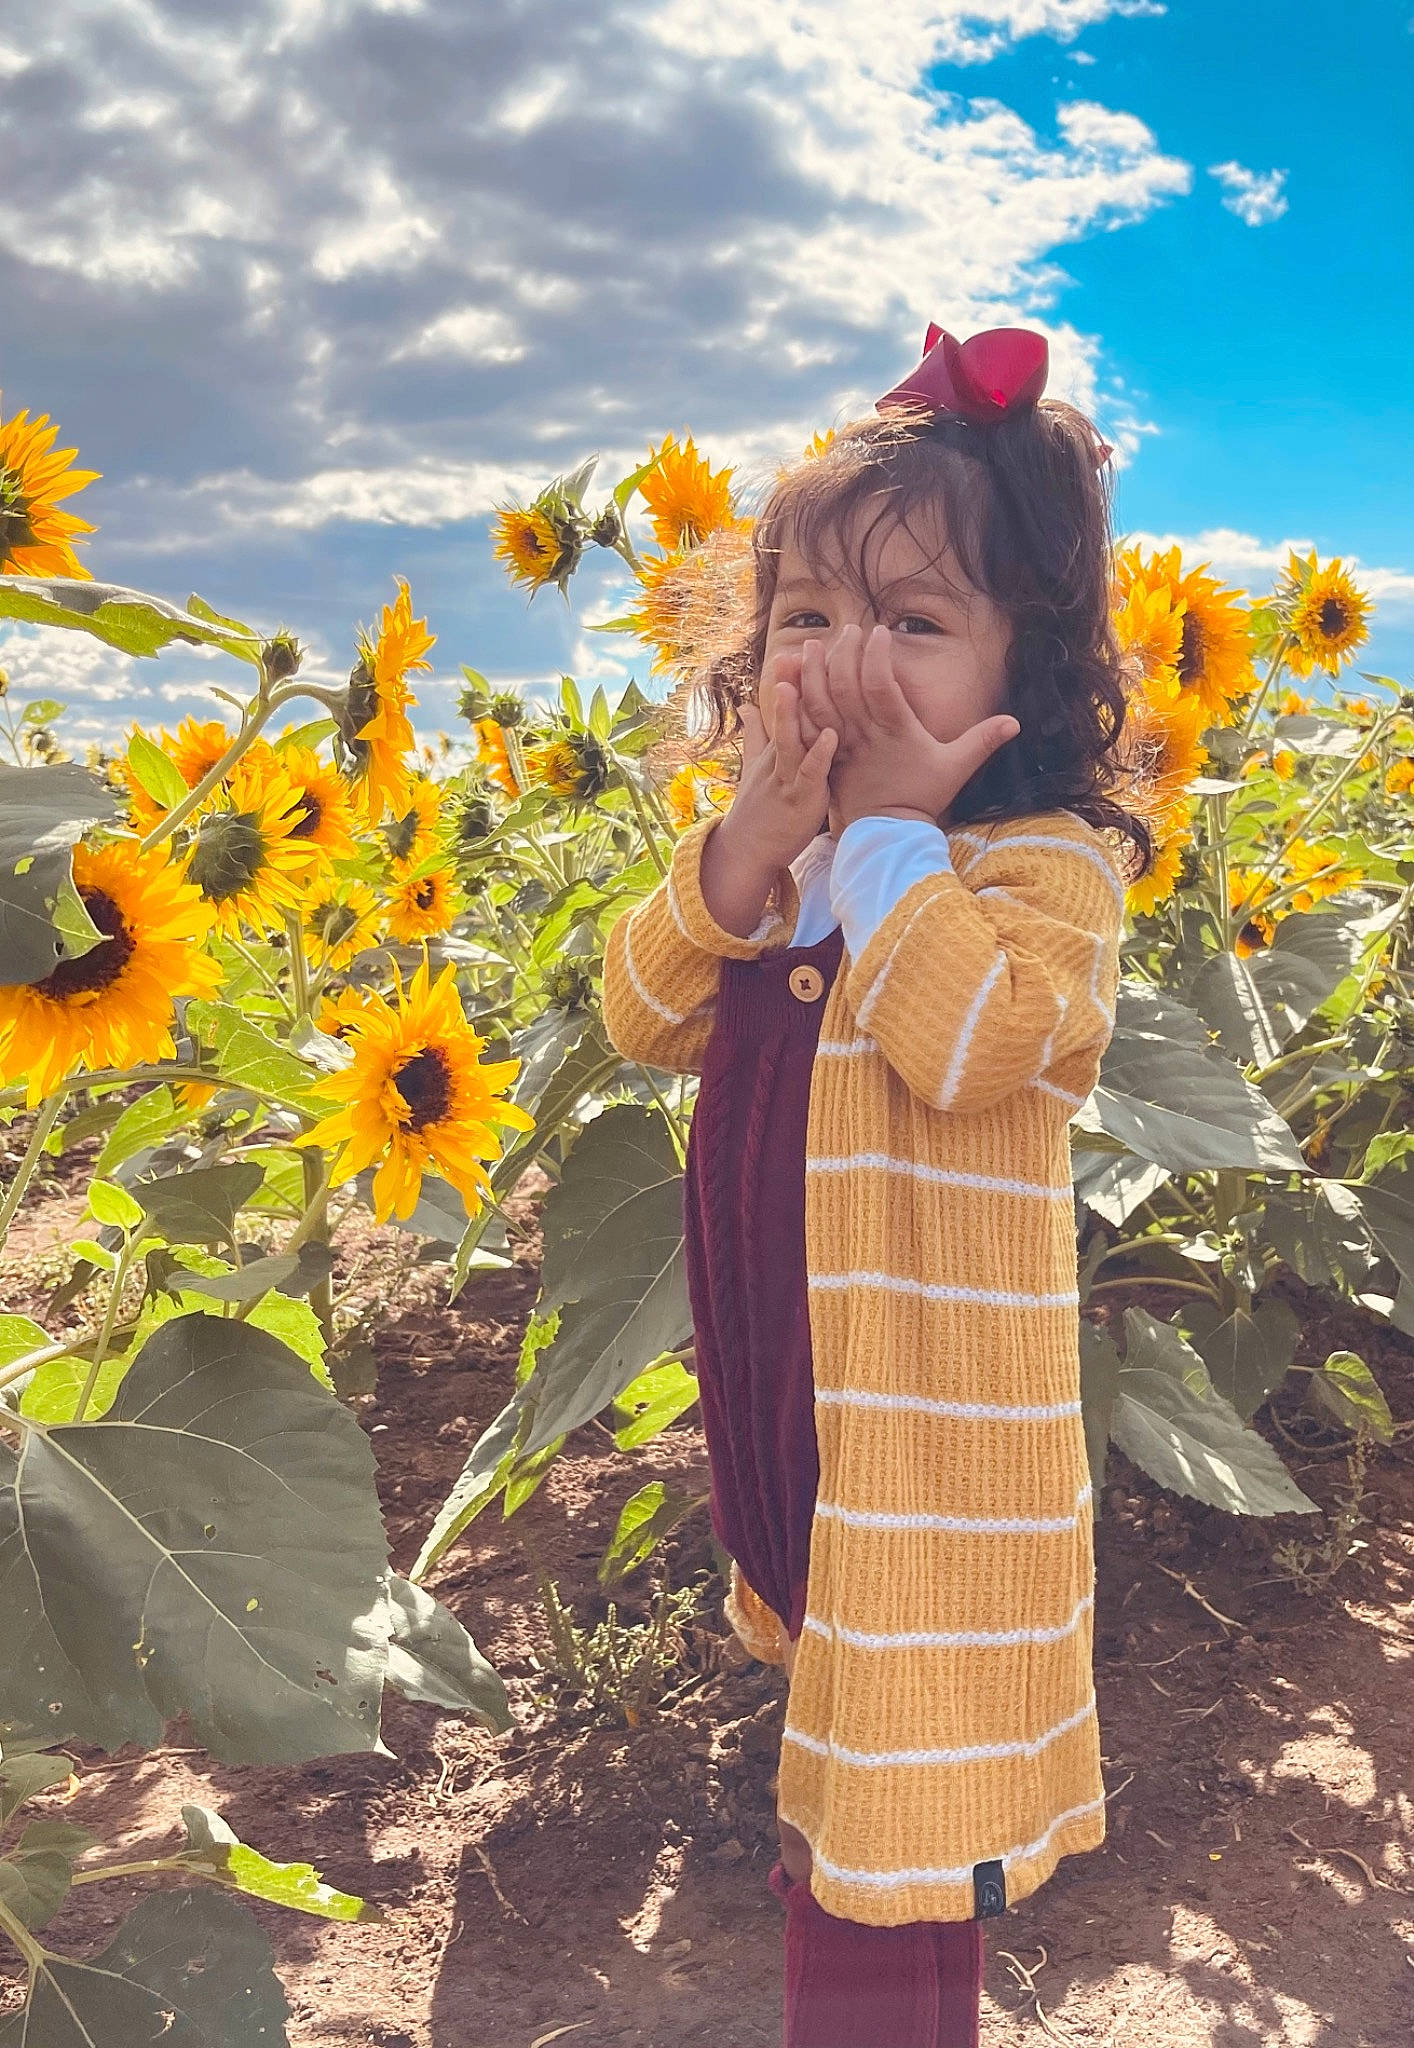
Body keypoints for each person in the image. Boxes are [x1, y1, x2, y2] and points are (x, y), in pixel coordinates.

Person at [600, 325, 1153, 2048]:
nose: (846, 665)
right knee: (839, 1792)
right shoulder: (774, 866)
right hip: (794, 1407)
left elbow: (980, 1038)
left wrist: (898, 836)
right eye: (810, 620)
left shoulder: (1033, 873)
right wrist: (750, 852)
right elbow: (640, 1015)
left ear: (1026, 671)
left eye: (914, 624)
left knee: (889, 1835)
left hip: (928, 1455)